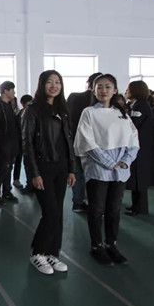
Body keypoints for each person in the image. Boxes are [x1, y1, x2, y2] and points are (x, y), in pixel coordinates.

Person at [74, 74, 139, 266]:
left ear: (115, 90)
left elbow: (133, 139)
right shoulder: (89, 113)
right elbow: (86, 141)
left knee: (114, 209)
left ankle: (112, 244)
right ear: (93, 90)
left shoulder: (122, 113)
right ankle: (97, 246)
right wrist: (108, 163)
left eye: (108, 87)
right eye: (99, 87)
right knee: (96, 209)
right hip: (98, 167)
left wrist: (126, 160)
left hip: (121, 168)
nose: (104, 91)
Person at [22, 71, 76, 275]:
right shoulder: (33, 110)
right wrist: (34, 173)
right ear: (42, 84)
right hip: (43, 168)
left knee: (58, 213)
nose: (54, 86)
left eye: (58, 82)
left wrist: (71, 168)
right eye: (50, 82)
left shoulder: (63, 109)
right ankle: (37, 252)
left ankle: (53, 253)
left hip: (61, 167)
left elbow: (68, 141)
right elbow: (27, 143)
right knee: (50, 212)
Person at [67, 72, 102, 213]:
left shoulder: (73, 97)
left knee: (78, 171)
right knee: (96, 172)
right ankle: (96, 203)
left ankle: (77, 202)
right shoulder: (100, 101)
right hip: (94, 142)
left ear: (88, 83)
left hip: (74, 139)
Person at [0, 81, 20, 205]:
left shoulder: (8, 105)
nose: (14, 92)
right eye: (12, 90)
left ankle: (7, 191)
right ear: (5, 91)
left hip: (11, 143)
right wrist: (1, 143)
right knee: (2, 169)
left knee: (8, 168)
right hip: (2, 144)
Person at [125, 80, 154, 216]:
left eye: (128, 89)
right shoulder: (137, 105)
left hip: (140, 146)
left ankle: (140, 208)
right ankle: (136, 205)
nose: (126, 91)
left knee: (139, 177)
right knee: (137, 177)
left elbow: (133, 125)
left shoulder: (140, 107)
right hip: (140, 144)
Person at [13, 94, 34, 190]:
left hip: (25, 141)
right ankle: (29, 183)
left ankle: (30, 184)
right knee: (25, 162)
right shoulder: (22, 113)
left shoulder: (23, 112)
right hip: (24, 141)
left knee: (28, 163)